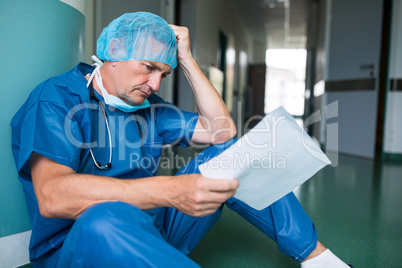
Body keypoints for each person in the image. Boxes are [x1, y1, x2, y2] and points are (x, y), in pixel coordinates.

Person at [11, 12, 351, 268]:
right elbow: (52, 196)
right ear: (113, 50)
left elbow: (222, 132)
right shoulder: (57, 99)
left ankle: (319, 259)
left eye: (164, 72)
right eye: (148, 67)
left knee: (232, 153)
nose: (155, 84)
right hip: (81, 244)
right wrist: (168, 191)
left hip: (152, 225)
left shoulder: (150, 108)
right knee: (103, 218)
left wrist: (187, 60)